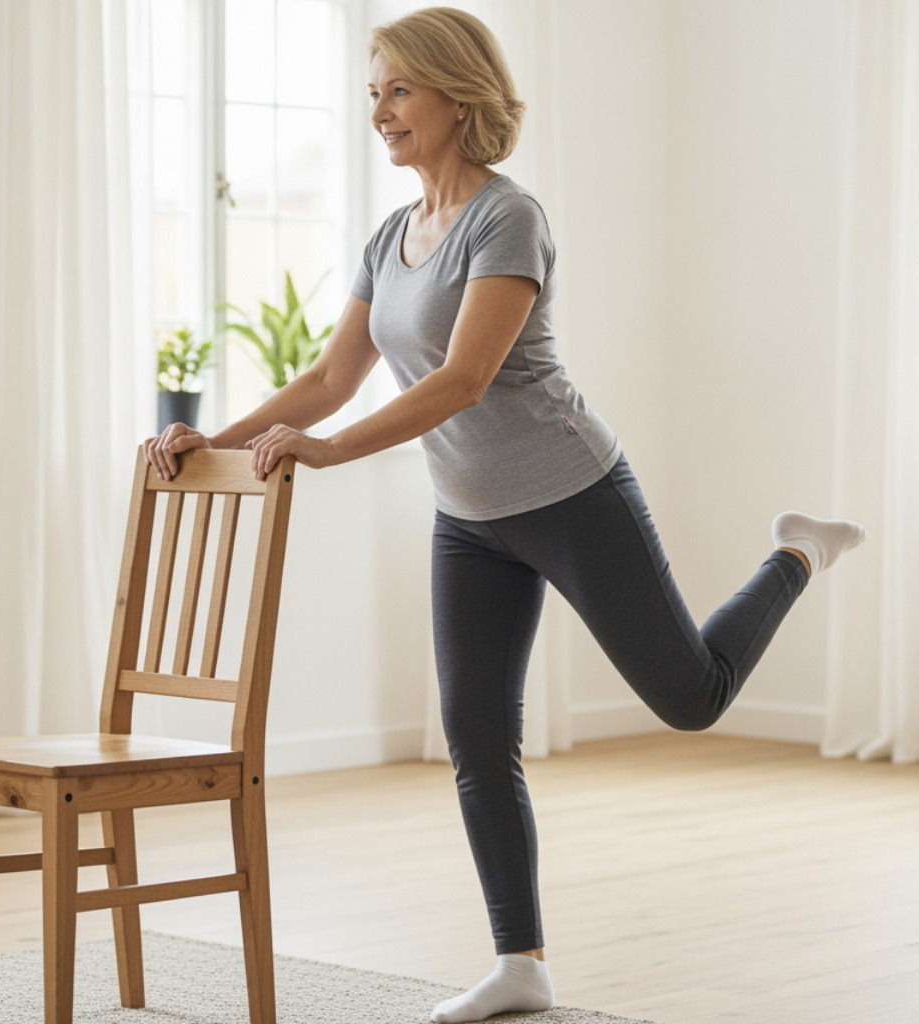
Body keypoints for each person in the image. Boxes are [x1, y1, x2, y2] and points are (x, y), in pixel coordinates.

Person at [145, 7, 865, 1021]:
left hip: (571, 494)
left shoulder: (507, 218)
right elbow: (328, 379)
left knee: (691, 698)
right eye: (373, 93)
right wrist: (211, 441)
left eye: (400, 90)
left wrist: (332, 452)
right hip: (469, 517)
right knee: (477, 738)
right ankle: (520, 961)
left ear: (458, 95)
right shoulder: (391, 237)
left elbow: (464, 379)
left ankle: (795, 553)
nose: (380, 111)